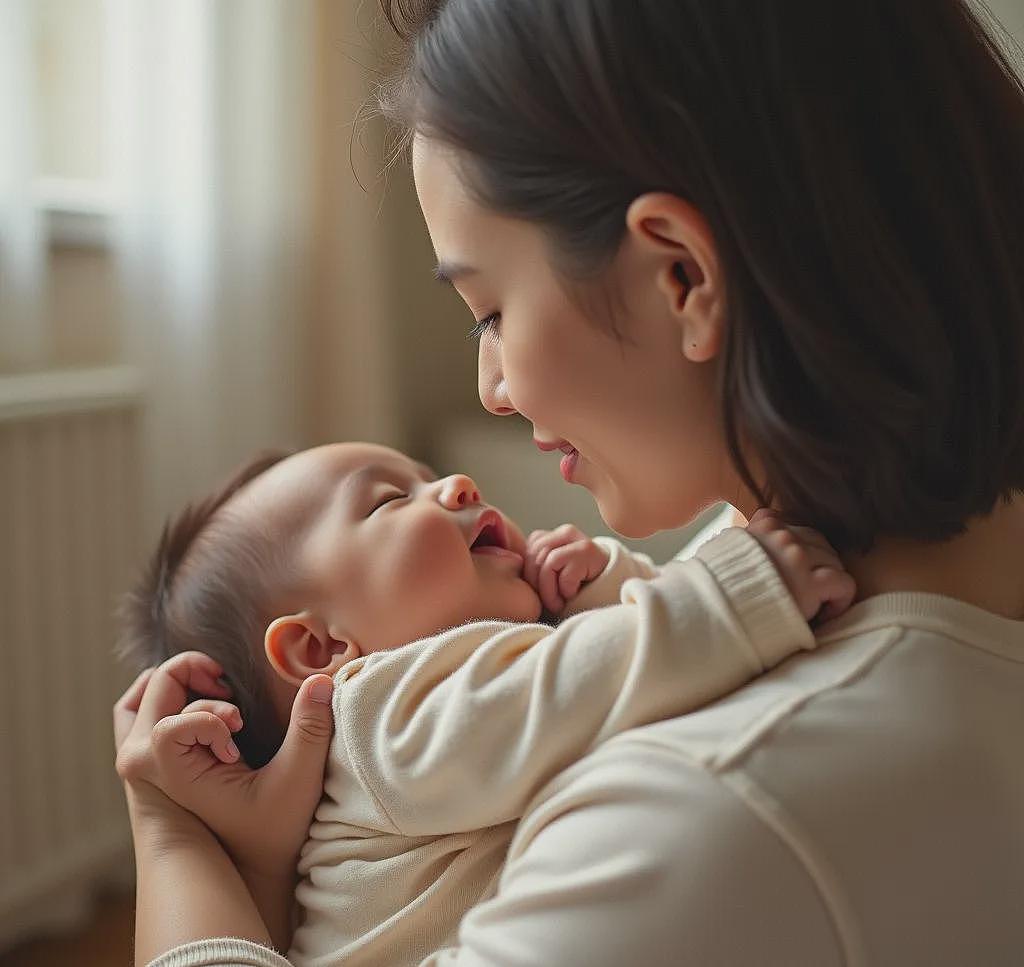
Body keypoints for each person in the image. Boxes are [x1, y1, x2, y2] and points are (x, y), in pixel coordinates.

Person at [115, 0, 1024, 964]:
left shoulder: (703, 821)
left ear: (681, 276)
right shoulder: (389, 711)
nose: (491, 390)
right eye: (483, 320)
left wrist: (175, 839)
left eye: (491, 311)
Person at [116, 439, 849, 963]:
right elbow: (564, 692)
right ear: (322, 649)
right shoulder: (376, 718)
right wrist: (732, 596)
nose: (458, 483)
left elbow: (586, 676)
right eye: (390, 500)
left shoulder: (472, 686)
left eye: (427, 474)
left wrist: (598, 581)